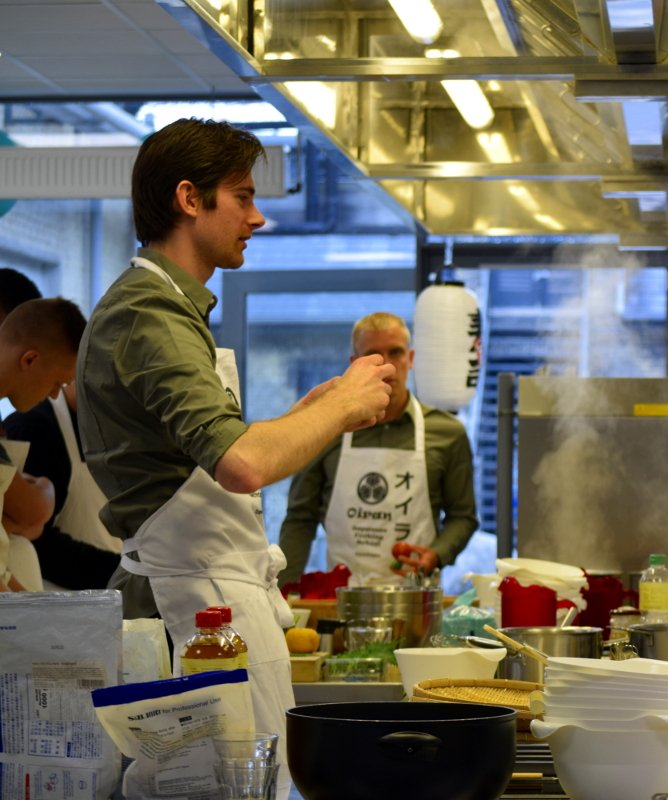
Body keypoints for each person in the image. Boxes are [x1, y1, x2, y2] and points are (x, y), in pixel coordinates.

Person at [76, 118, 394, 750]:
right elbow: (241, 463)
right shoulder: (149, 311)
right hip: (191, 612)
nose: (257, 217)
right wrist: (341, 407)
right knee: (219, 783)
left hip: (207, 599)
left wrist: (315, 412)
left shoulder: (173, 307)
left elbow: (213, 453)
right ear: (190, 199)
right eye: (243, 197)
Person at [278, 311, 479, 585]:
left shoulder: (448, 434)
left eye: (396, 352)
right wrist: (283, 590)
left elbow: (463, 517)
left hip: (416, 598)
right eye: (373, 356)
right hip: (342, 597)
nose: (387, 366)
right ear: (354, 366)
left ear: (410, 358)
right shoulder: (327, 429)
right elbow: (301, 518)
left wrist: (436, 554)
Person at [0, 298, 86, 591]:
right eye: (57, 383)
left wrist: (33, 608)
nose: (53, 395)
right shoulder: (35, 424)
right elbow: (31, 514)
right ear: (30, 360)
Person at [5, 381, 123, 589]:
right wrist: (122, 574)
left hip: (105, 595)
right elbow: (33, 532)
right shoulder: (33, 426)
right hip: (53, 594)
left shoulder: (118, 433)